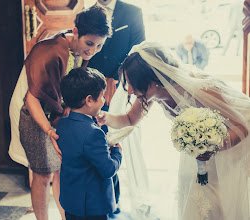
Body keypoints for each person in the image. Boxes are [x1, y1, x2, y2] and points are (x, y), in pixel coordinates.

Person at [98, 41, 249, 220]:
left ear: (154, 81)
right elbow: (130, 119)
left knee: (218, 204)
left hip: (227, 149)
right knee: (193, 198)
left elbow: (242, 127)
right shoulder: (151, 93)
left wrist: (211, 147)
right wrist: (105, 117)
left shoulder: (201, 89)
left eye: (134, 84)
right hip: (196, 155)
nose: (130, 91)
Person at [8, 6, 112, 220]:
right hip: (31, 112)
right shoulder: (51, 52)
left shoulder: (79, 50)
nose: (92, 51)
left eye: (99, 45)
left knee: (61, 170)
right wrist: (49, 131)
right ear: (75, 33)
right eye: (89, 44)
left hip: (57, 112)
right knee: (43, 173)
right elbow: (32, 98)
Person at [87, 0, 145, 213]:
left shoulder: (133, 12)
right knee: (98, 141)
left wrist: (116, 76)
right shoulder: (87, 13)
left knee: (119, 140)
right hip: (92, 91)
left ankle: (115, 201)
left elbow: (139, 51)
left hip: (123, 87)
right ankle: (109, 199)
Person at [57, 67, 122, 220]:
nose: (104, 101)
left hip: (71, 201)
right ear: (89, 100)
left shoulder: (62, 123)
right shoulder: (94, 133)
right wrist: (117, 151)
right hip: (93, 207)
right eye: (101, 97)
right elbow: (108, 170)